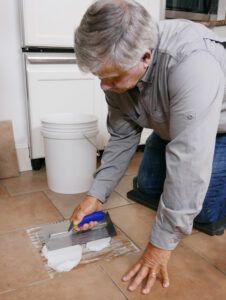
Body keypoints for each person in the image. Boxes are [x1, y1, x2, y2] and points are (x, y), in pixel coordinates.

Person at [70, 0, 226, 294]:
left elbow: (189, 161)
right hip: (174, 122)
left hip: (216, 128)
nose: (104, 86)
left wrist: (159, 247)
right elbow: (123, 135)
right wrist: (97, 194)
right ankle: (170, 137)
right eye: (99, 76)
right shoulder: (117, 72)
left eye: (112, 77)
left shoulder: (193, 62)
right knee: (149, 188)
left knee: (202, 214)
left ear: (146, 56)